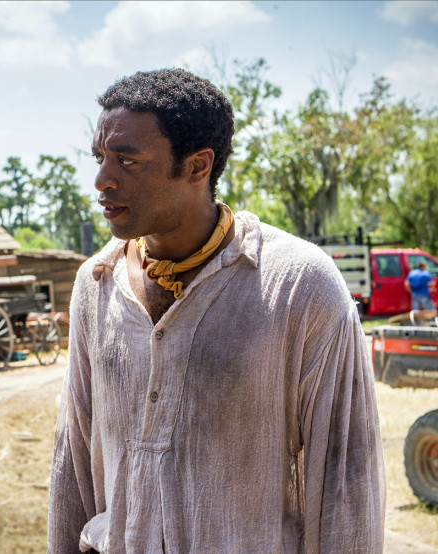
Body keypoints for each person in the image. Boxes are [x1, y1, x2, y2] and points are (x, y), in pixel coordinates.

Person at [47, 69, 385, 553]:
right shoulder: (95, 285)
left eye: (127, 160)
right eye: (100, 157)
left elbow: (346, 483)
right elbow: (72, 463)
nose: (102, 179)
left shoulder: (299, 287)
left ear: (197, 166)